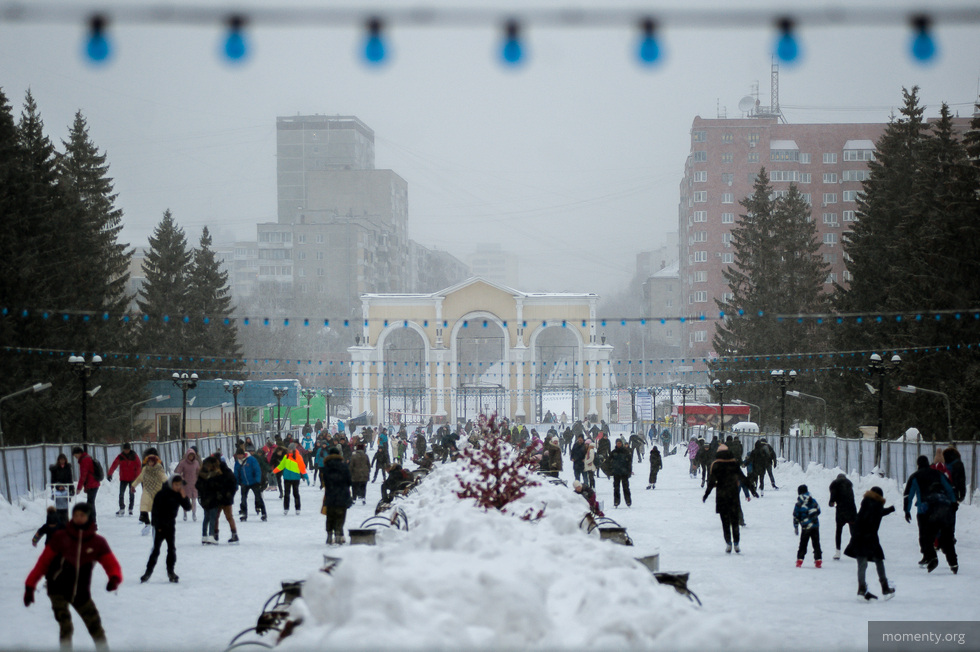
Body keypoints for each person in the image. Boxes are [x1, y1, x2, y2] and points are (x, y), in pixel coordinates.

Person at [24, 502, 122, 651]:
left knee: (95, 625)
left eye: (82, 515)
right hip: (57, 589)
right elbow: (42, 564)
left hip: (81, 592)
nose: (78, 518)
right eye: (76, 515)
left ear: (89, 517)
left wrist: (114, 578)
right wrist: (30, 586)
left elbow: (111, 563)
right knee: (66, 625)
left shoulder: (97, 542)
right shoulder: (60, 537)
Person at [903, 455, 957, 573]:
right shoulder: (938, 474)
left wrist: (906, 510)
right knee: (945, 536)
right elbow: (949, 488)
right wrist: (953, 503)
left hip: (924, 510)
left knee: (925, 536)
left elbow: (909, 495)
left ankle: (929, 557)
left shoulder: (915, 476)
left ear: (918, 465)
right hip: (942, 507)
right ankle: (953, 563)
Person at [844, 486, 896, 601]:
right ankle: (885, 588)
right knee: (878, 561)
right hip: (870, 537)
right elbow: (876, 514)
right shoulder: (877, 505)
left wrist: (889, 510)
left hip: (858, 537)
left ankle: (861, 589)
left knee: (862, 564)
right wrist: (890, 509)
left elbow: (874, 514)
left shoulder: (867, 503)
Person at [703, 448, 757, 553]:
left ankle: (728, 542)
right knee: (735, 521)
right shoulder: (734, 465)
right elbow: (743, 478)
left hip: (721, 496)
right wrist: (752, 490)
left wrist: (706, 494)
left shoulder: (716, 466)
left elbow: (711, 481)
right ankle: (736, 543)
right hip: (733, 495)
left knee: (725, 522)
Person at [140, 475, 191, 583]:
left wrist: (184, 496)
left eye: (179, 485)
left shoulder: (178, 495)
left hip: (171, 525)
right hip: (160, 526)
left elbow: (188, 508)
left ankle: (171, 572)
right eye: (176, 485)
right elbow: (155, 512)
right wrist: (157, 526)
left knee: (171, 549)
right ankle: (148, 572)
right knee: (156, 550)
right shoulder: (162, 494)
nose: (178, 487)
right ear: (171, 484)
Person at [321, 445, 352, 545]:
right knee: (340, 515)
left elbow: (324, 481)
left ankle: (329, 535)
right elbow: (349, 481)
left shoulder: (326, 467)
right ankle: (338, 534)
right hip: (342, 495)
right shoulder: (344, 466)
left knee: (330, 516)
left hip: (330, 494)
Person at [131, 454, 167, 535]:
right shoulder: (145, 469)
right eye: (149, 462)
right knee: (143, 505)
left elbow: (163, 477)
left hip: (157, 490)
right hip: (147, 490)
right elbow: (140, 477)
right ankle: (147, 523)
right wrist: (133, 485)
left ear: (154, 462)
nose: (150, 463)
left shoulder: (158, 469)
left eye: (152, 462)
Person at [273, 442, 309, 515]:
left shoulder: (298, 457)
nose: (289, 450)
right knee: (286, 494)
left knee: (295, 493)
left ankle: (297, 508)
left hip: (295, 478)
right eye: (288, 449)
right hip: (287, 478)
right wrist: (273, 472)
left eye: (290, 449)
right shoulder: (286, 457)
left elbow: (302, 467)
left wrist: (306, 476)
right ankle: (286, 508)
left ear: (294, 449)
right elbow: (281, 466)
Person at [828, 473, 857, 560]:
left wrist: (831, 502)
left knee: (839, 531)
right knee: (853, 531)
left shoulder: (835, 485)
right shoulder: (849, 486)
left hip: (841, 512)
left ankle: (838, 552)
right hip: (852, 511)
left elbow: (832, 501)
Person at [793, 484, 823, 568]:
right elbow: (818, 511)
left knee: (803, 544)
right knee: (816, 543)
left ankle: (800, 560)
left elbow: (796, 516)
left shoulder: (799, 504)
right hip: (815, 526)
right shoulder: (813, 501)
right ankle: (818, 560)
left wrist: (796, 526)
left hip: (805, 527)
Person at [107, 444, 141, 517]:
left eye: (127, 449)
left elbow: (138, 466)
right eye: (125, 449)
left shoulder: (134, 456)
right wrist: (110, 473)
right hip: (123, 478)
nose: (126, 451)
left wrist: (137, 477)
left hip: (132, 478)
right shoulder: (120, 456)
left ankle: (130, 509)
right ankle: (122, 508)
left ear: (129, 449)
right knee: (121, 494)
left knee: (131, 493)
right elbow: (114, 465)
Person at [234, 449, 267, 521]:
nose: (239, 456)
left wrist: (258, 480)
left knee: (258, 497)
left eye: (240, 455)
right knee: (243, 499)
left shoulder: (251, 459)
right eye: (238, 455)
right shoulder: (237, 463)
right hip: (244, 483)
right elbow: (236, 474)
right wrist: (236, 485)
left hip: (254, 482)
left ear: (243, 454)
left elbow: (257, 470)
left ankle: (263, 513)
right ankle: (244, 513)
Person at [196, 457, 223, 544]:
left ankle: (204, 536)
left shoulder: (201, 474)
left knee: (206, 517)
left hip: (204, 499)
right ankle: (211, 535)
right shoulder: (215, 474)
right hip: (213, 498)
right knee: (213, 517)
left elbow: (198, 486)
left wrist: (200, 497)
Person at [215, 456, 241, 544]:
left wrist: (227, 494)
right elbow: (234, 486)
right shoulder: (227, 472)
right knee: (228, 517)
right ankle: (234, 534)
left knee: (217, 517)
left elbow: (233, 485)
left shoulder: (221, 473)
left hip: (222, 499)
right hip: (225, 499)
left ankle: (215, 534)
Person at [72, 447, 101, 524]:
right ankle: (91, 520)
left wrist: (79, 487)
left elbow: (83, 475)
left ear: (79, 453)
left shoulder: (84, 460)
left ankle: (92, 521)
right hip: (93, 483)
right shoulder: (87, 457)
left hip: (92, 484)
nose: (76, 458)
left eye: (76, 456)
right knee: (90, 502)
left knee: (90, 503)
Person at [174, 448, 201, 521]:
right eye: (190, 455)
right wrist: (182, 479)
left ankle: (194, 513)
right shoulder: (183, 463)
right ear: (187, 455)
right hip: (186, 484)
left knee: (194, 500)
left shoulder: (196, 463)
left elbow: (198, 472)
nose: (191, 457)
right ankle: (185, 513)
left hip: (194, 483)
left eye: (192, 456)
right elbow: (178, 472)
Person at [49, 454, 74, 524]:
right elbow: (53, 480)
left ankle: (65, 521)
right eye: (61, 460)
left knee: (65, 505)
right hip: (57, 489)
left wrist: (72, 489)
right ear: (58, 461)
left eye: (63, 460)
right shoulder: (55, 469)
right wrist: (57, 486)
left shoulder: (68, 468)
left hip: (66, 488)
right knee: (58, 505)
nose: (62, 461)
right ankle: (58, 521)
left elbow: (70, 479)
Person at [609, 439, 633, 508]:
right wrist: (611, 470)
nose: (618, 444)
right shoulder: (613, 452)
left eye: (620, 443)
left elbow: (629, 462)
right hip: (616, 473)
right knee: (616, 488)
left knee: (626, 488)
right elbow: (609, 462)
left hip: (624, 472)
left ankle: (628, 501)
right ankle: (616, 502)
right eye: (617, 443)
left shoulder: (626, 452)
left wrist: (629, 471)